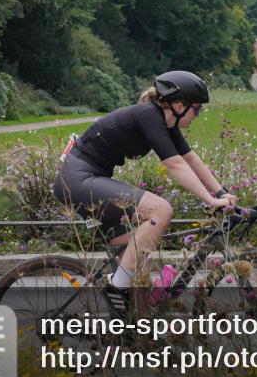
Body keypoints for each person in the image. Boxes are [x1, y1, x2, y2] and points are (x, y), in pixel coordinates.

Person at [52, 70, 235, 318]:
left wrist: (223, 193)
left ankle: (134, 336)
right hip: (78, 179)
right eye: (197, 109)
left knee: (140, 270)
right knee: (161, 209)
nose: (197, 115)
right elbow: (175, 165)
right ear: (179, 106)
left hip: (91, 178)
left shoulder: (166, 122)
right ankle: (117, 288)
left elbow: (191, 159)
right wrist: (211, 200)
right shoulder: (149, 115)